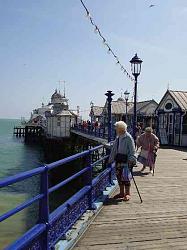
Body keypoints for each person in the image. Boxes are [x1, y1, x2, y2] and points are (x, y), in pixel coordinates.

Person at [108, 121, 136, 201]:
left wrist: (131, 160)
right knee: (119, 177)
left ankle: (127, 194)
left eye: (116, 128)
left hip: (126, 161)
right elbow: (115, 147)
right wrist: (111, 159)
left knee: (126, 177)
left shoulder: (128, 137)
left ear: (120, 129)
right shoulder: (118, 136)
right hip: (119, 160)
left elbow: (132, 150)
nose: (115, 129)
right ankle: (121, 193)